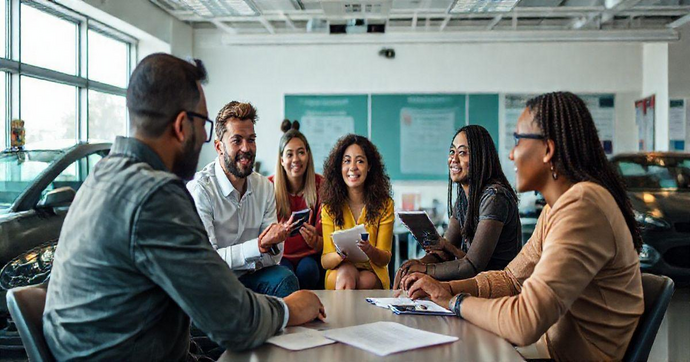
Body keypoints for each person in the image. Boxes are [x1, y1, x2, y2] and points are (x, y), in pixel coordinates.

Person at [43, 54, 325, 361]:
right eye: (203, 124)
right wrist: (292, 308)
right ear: (181, 125)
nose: (205, 137)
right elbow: (234, 320)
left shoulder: (103, 174)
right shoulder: (156, 195)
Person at [403, 92, 643, 361]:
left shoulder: (583, 206)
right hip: (550, 347)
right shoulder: (558, 207)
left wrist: (453, 301)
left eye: (518, 140)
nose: (511, 153)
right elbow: (511, 279)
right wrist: (448, 288)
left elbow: (525, 322)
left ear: (548, 150)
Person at [187, 102, 298, 298]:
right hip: (214, 281)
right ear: (219, 146)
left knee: (285, 279)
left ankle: (265, 320)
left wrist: (271, 244)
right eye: (237, 140)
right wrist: (258, 247)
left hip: (251, 276)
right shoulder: (200, 190)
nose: (246, 148)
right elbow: (207, 260)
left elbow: (275, 256)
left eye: (251, 139)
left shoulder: (264, 187)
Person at [394, 125, 521, 289]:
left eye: (462, 153)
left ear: (480, 158)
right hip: (476, 286)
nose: (453, 159)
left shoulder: (494, 197)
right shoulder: (463, 198)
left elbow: (472, 266)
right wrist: (414, 265)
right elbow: (444, 253)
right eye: (452, 151)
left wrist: (425, 269)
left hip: (498, 290)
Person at [321, 134, 394, 290]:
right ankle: (348, 315)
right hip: (339, 270)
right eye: (347, 161)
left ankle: (340, 315)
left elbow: (385, 258)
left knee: (363, 281)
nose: (352, 167)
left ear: (369, 167)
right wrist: (339, 255)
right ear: (339, 167)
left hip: (372, 271)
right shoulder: (329, 207)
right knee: (347, 273)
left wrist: (370, 250)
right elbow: (325, 260)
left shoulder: (385, 204)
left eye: (360, 161)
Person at [268, 120, 325, 290]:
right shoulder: (268, 186)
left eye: (301, 152)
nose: (296, 159)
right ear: (282, 159)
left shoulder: (321, 185)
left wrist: (315, 239)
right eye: (289, 154)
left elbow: (326, 242)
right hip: (280, 255)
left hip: (309, 256)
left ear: (308, 155)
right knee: (285, 275)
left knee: (308, 270)